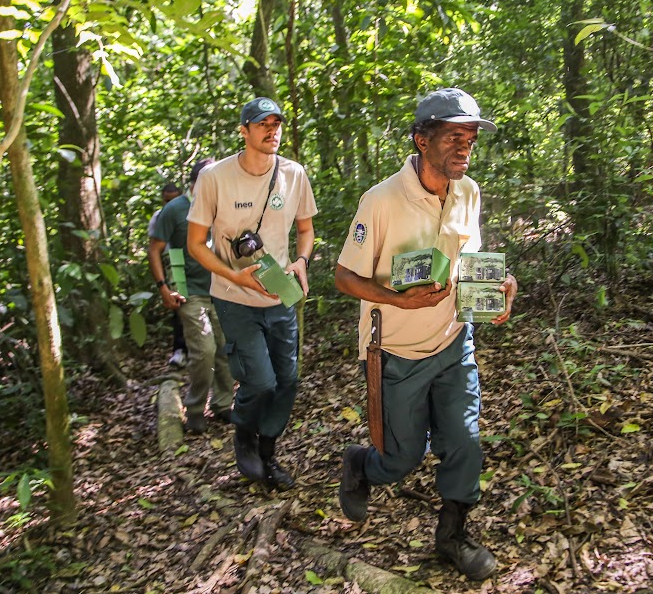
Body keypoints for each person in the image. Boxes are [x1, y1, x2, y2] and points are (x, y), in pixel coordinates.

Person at [334, 88, 517, 581]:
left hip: (454, 341)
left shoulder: (468, 191)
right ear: (421, 139)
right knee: (401, 459)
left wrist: (499, 286)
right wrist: (397, 299)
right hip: (396, 351)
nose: (465, 146)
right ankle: (361, 464)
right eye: (454, 136)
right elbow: (344, 277)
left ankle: (453, 535)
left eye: (471, 138)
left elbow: (469, 263)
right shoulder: (380, 200)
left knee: (465, 442)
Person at [186, 97, 317, 490]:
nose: (272, 131)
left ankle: (268, 453)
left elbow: (306, 229)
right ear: (244, 131)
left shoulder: (294, 174)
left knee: (287, 380)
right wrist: (234, 276)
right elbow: (195, 244)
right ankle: (243, 432)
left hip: (279, 294)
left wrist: (301, 261)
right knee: (260, 381)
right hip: (234, 295)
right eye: (263, 124)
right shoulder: (214, 178)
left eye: (276, 124)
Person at [148, 160, 236, 434]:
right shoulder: (175, 209)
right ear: (196, 183)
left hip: (221, 288)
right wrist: (163, 287)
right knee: (204, 350)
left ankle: (223, 404)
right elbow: (154, 249)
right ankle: (196, 407)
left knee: (225, 348)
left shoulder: (221, 204)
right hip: (188, 291)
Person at [149, 183, 188, 367]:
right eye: (166, 200)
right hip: (172, 262)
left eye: (173, 200)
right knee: (179, 304)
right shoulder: (159, 217)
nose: (169, 204)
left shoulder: (190, 211)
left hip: (193, 261)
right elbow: (154, 247)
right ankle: (179, 349)